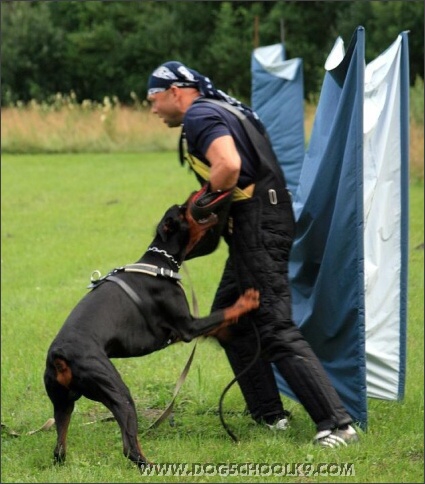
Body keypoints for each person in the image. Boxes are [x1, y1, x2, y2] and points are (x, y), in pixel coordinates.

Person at [146, 61, 359, 447]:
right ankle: (269, 415)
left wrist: (200, 205)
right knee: (230, 321)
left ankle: (338, 425)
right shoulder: (223, 107)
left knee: (274, 325)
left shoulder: (199, 114)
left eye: (153, 98)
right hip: (260, 221)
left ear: (175, 91)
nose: (152, 109)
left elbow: (229, 165)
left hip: (258, 225)